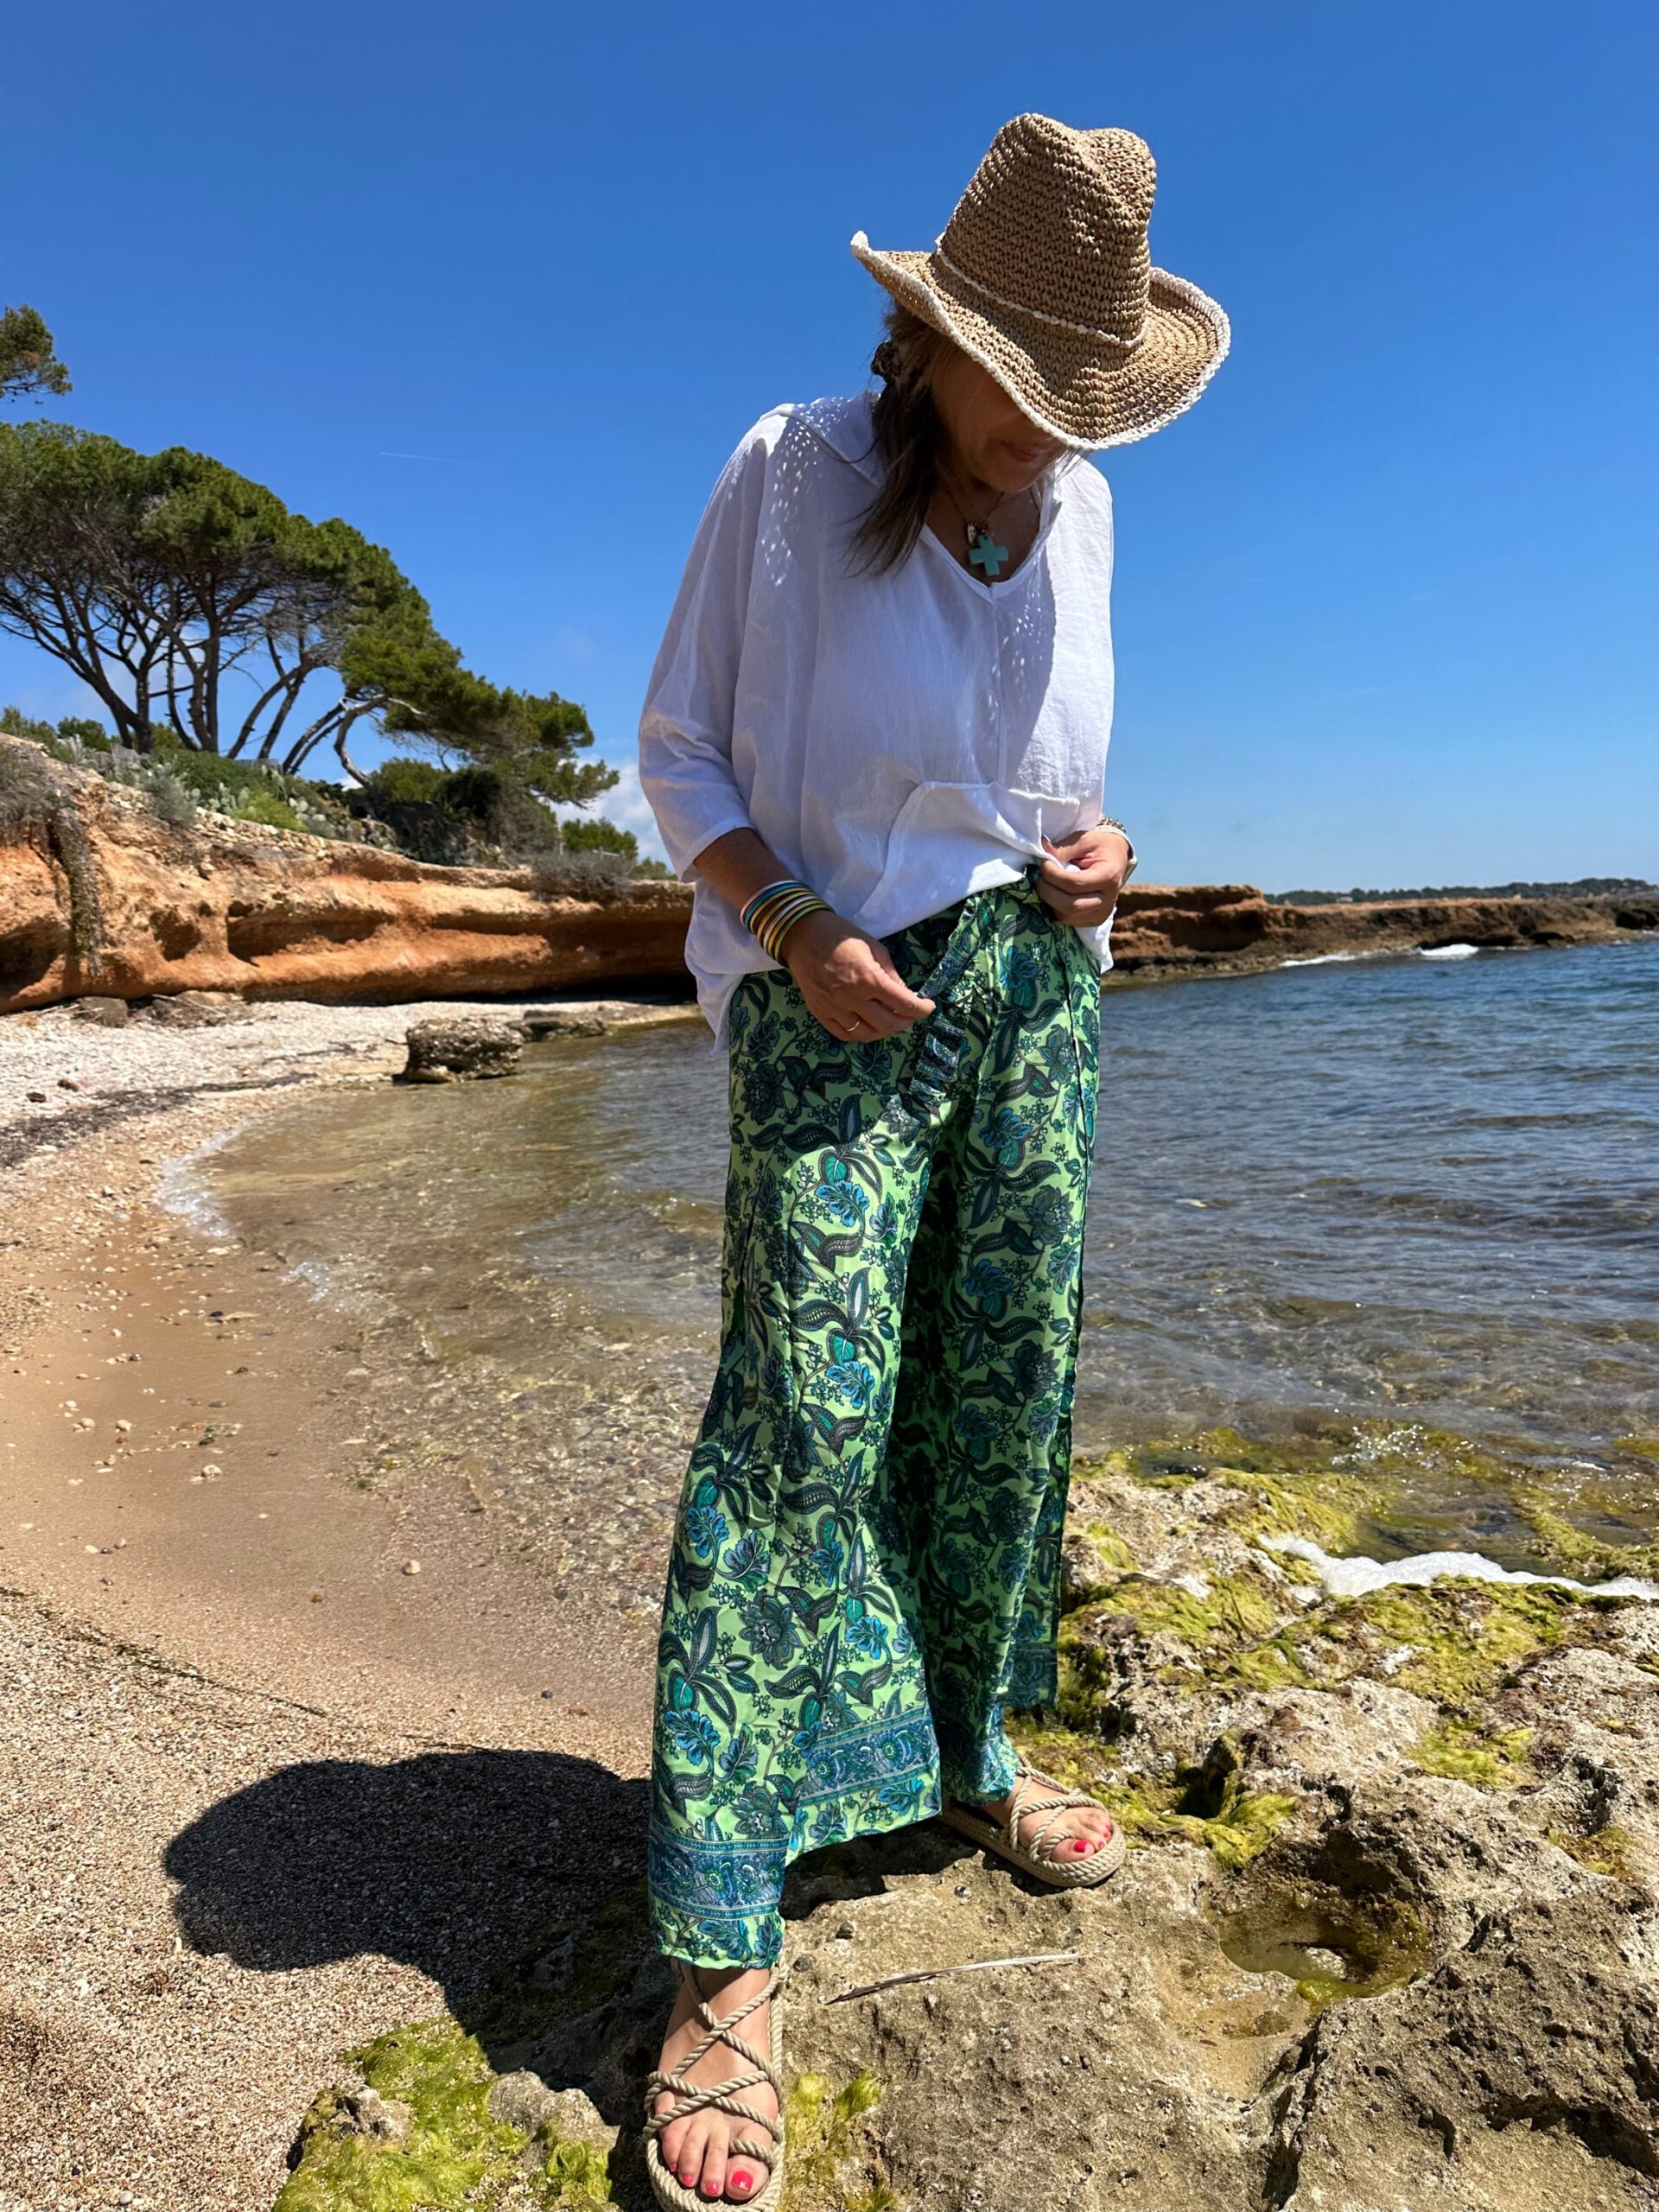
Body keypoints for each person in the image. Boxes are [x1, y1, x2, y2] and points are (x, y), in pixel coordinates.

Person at [634, 111, 1229, 2210]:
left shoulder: (1083, 511)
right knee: (800, 1420)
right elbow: (678, 750)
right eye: (1026, 388)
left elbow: (1048, 791)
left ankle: (966, 1751)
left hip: (1037, 1002)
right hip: (829, 995)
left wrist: (1105, 857)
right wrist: (796, 925)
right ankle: (722, 1934)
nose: (1055, 436)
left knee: (1000, 1398)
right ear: (932, 340)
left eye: (1088, 401)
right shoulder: (791, 474)